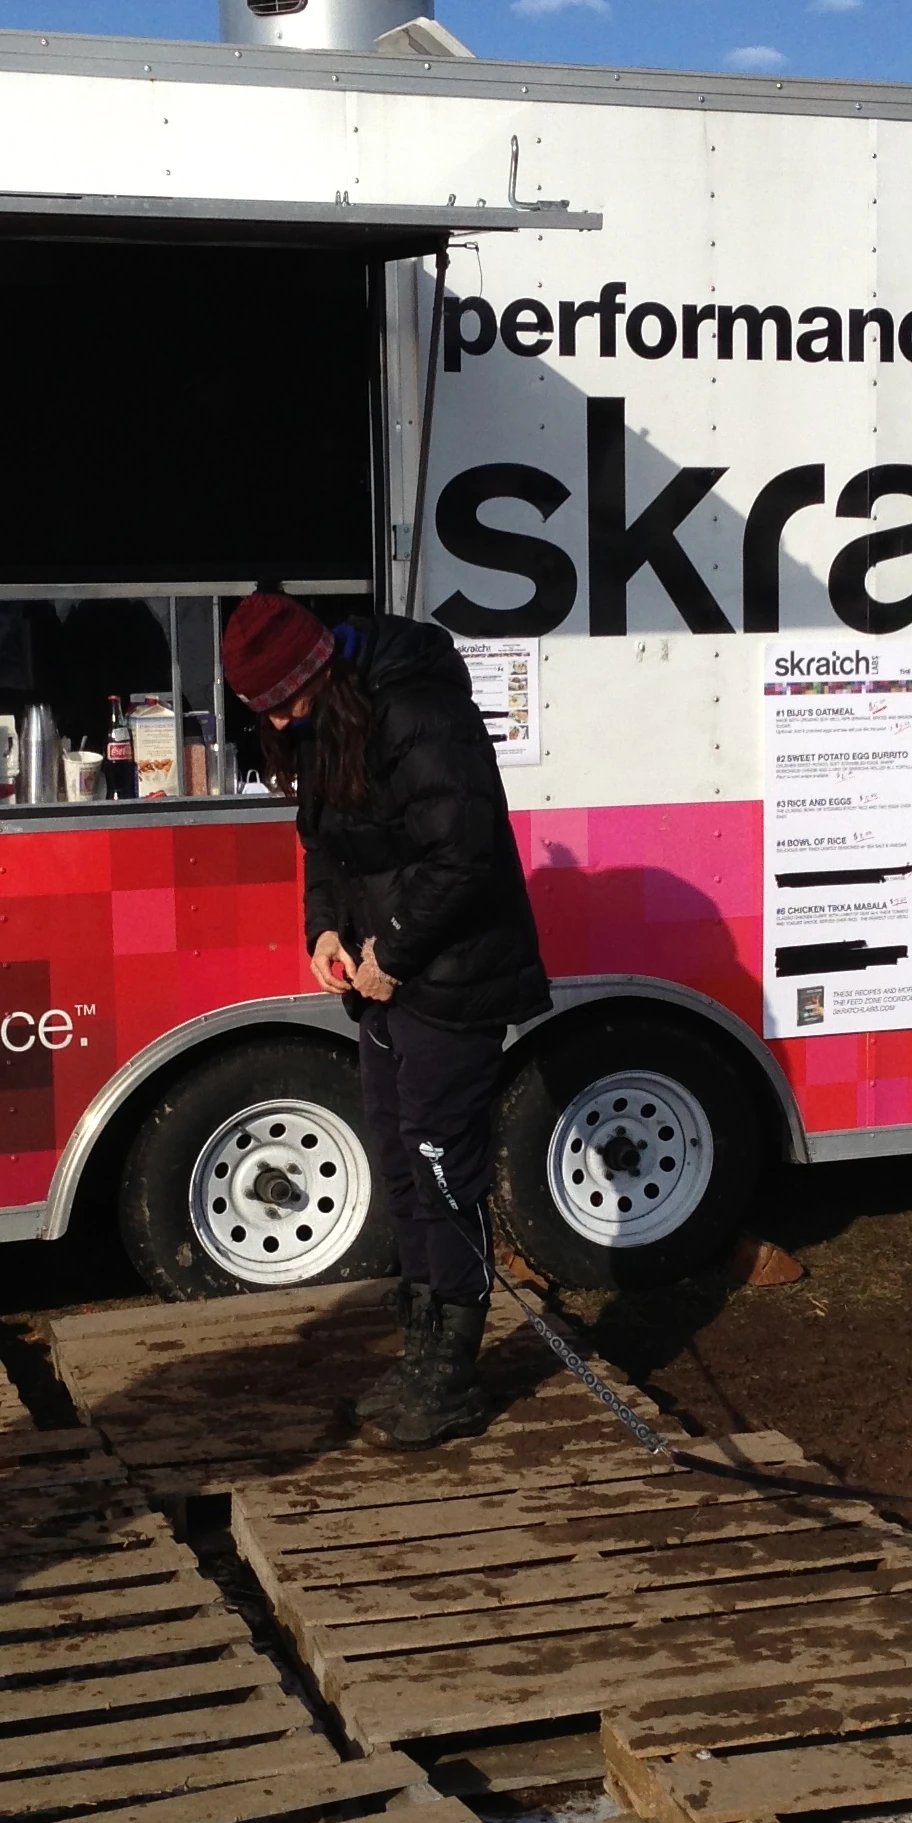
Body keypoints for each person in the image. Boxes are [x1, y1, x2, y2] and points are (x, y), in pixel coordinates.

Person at [218, 587, 549, 1443]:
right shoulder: (322, 723)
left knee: (442, 1159)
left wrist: (391, 952)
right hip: (381, 977)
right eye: (267, 711)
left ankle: (456, 1365)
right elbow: (323, 841)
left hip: (455, 973)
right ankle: (422, 1337)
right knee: (397, 1151)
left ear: (320, 668)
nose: (283, 721)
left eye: (288, 700)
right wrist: (325, 927)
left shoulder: (417, 710)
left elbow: (463, 853)